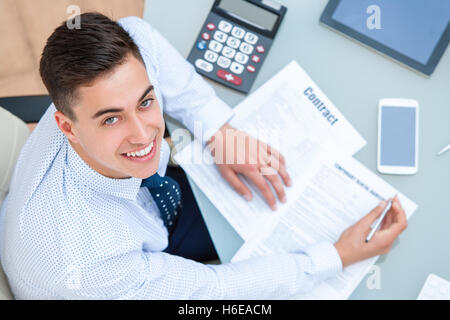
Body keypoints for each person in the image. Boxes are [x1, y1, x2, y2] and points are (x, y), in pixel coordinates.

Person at [0, 13, 407, 299]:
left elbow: (136, 32)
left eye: (145, 102)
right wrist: (338, 256)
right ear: (65, 127)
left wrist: (219, 131)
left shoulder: (124, 67)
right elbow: (217, 291)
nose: (146, 136)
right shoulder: (89, 268)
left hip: (145, 205)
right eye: (111, 120)